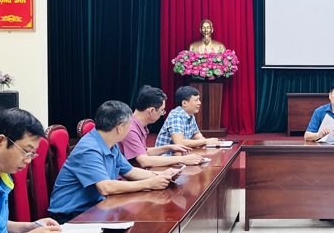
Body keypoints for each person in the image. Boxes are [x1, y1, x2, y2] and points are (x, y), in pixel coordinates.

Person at [49, 100, 179, 224]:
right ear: (120, 128)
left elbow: (131, 172)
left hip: (95, 208)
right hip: (71, 216)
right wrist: (149, 184)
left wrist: (162, 176)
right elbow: (106, 188)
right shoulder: (88, 149)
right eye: (129, 126)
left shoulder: (110, 143)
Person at [119, 85, 206, 168]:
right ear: (152, 110)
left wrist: (168, 148)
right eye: (162, 110)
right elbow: (145, 161)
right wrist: (182, 159)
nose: (162, 114)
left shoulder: (137, 124)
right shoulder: (130, 129)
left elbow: (144, 152)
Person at [154, 86, 220, 149]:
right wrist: (205, 141)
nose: (199, 103)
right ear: (184, 103)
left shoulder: (190, 114)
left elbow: (196, 134)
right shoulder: (176, 116)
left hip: (180, 153)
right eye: (196, 100)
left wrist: (203, 141)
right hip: (167, 156)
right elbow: (179, 142)